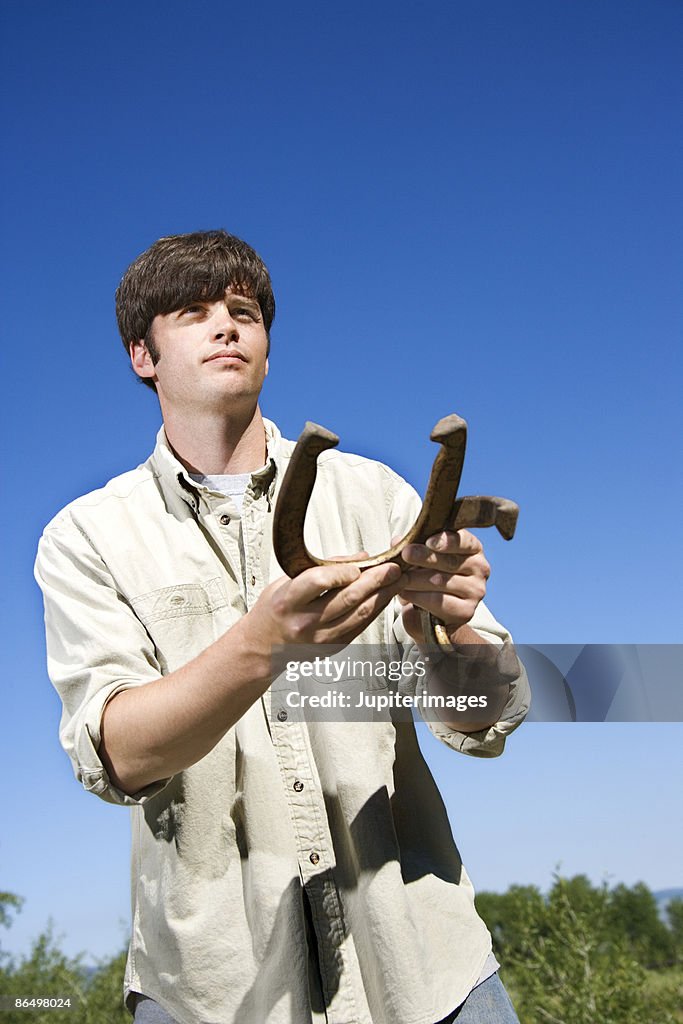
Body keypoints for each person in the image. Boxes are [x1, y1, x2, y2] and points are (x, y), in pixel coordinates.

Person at [35, 230, 529, 1024]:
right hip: (213, 987)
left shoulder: (373, 494)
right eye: (193, 312)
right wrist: (260, 646)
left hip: (425, 969)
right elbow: (119, 754)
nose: (226, 325)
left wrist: (450, 630)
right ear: (143, 356)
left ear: (266, 345)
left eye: (243, 310)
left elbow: (490, 718)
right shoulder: (87, 536)